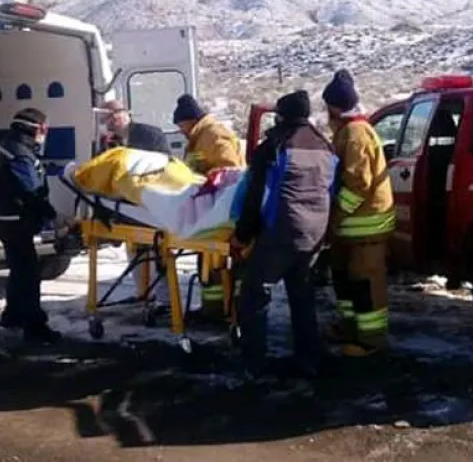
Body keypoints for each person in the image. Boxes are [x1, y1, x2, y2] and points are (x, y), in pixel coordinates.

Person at [231, 90, 337, 379]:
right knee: (302, 296)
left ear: (282, 115)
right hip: (314, 234)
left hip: (281, 231)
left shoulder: (276, 146)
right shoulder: (325, 146)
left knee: (255, 292)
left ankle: (254, 363)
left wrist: (242, 234)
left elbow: (256, 196)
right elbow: (330, 191)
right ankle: (308, 359)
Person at [322, 69, 395, 357]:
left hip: (366, 225)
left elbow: (358, 183)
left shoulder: (356, 134)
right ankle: (350, 327)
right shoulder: (347, 132)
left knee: (365, 282)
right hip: (351, 228)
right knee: (345, 278)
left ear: (335, 107)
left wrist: (336, 213)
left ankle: (371, 340)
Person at [0, 108, 72, 344]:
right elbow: (31, 193)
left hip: (7, 220)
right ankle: (34, 326)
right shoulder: (19, 154)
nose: (45, 134)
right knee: (28, 275)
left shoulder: (10, 146)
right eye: (44, 129)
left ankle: (12, 317)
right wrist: (54, 217)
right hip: (15, 222)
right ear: (36, 129)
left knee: (19, 271)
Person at [95, 100, 175, 311]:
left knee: (158, 252)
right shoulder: (109, 142)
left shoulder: (149, 134)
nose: (107, 122)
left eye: (109, 117)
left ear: (121, 115)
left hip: (152, 202)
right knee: (136, 251)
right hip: (127, 205)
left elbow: (164, 166)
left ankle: (165, 300)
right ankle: (144, 292)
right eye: (104, 119)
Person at [173, 94, 246, 320]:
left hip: (222, 210)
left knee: (218, 263)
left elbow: (231, 171)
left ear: (191, 120)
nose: (180, 130)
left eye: (181, 125)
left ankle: (227, 310)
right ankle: (213, 309)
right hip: (210, 209)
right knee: (207, 261)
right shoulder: (198, 138)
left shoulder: (213, 135)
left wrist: (204, 178)